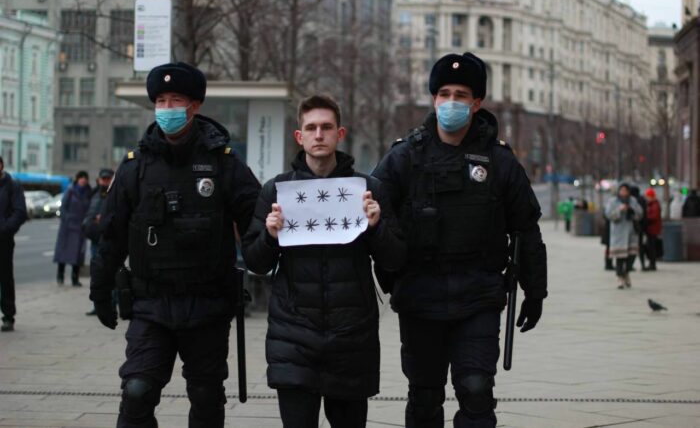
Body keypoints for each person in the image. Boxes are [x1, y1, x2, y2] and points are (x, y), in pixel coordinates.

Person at [372, 52, 547, 428]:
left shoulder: (499, 161)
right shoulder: (404, 157)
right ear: (434, 99)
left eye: (462, 94)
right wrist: (390, 277)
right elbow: (374, 217)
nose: (452, 101)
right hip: (420, 299)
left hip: (478, 297)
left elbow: (526, 229)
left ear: (477, 102)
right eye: (445, 93)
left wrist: (536, 291)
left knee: (476, 389)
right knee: (424, 397)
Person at [89, 62, 261, 428]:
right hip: (151, 305)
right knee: (136, 392)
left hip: (208, 306)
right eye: (161, 101)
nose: (168, 108)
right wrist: (100, 292)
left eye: (176, 100)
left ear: (195, 105)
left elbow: (257, 225)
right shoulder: (135, 167)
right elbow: (113, 235)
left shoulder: (224, 164)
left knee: (206, 398)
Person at [242, 94, 406, 428]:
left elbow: (395, 259)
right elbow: (255, 263)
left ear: (340, 134)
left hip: (352, 336)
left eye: (326, 127)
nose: (319, 135)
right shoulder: (276, 191)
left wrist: (376, 228)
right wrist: (270, 235)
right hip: (293, 336)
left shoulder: (368, 189)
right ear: (299, 136)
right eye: (311, 128)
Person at [0, 156, 28, 332]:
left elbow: (20, 212)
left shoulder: (12, 185)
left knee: (5, 277)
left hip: (3, 239)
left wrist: (5, 229)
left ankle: (8, 316)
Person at [83, 168, 115, 316]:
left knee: (111, 273)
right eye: (103, 179)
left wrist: (103, 219)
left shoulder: (116, 193)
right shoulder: (95, 193)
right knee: (97, 275)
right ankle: (98, 305)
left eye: (108, 179)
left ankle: (114, 305)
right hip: (95, 239)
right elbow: (88, 213)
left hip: (110, 239)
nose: (105, 181)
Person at [54, 171, 92, 286]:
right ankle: (60, 276)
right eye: (81, 178)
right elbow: (63, 208)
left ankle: (75, 278)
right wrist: (66, 219)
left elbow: (90, 208)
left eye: (85, 178)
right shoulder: (70, 191)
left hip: (81, 227)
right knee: (63, 253)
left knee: (78, 255)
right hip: (68, 227)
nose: (83, 180)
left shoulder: (88, 192)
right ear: (77, 179)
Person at [604, 183, 643, 289]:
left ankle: (626, 273)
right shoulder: (613, 201)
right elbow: (608, 214)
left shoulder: (633, 201)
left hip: (631, 233)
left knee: (631, 256)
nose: (624, 192)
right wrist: (619, 210)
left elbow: (640, 214)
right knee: (620, 258)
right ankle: (620, 278)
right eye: (622, 190)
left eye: (626, 190)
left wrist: (631, 210)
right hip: (619, 233)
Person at [627, 186, 647, 271]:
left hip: (635, 227)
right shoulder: (642, 200)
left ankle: (630, 265)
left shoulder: (633, 201)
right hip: (641, 226)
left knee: (634, 246)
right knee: (640, 246)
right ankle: (642, 264)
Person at [643, 188, 662, 271]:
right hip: (651, 228)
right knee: (650, 246)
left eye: (648, 196)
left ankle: (652, 263)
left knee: (651, 247)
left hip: (653, 229)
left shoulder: (654, 205)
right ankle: (651, 263)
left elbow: (653, 217)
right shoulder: (651, 204)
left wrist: (646, 218)